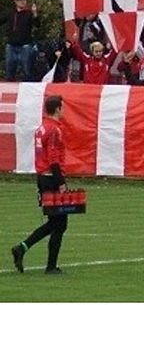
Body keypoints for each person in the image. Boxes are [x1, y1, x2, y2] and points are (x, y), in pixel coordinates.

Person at [11, 95, 69, 274]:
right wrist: (61, 182)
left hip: (42, 177)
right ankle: (50, 266)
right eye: (63, 107)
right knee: (60, 222)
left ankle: (22, 248)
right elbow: (53, 158)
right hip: (51, 178)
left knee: (56, 222)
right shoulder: (54, 130)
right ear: (57, 109)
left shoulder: (41, 128)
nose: (64, 110)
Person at [1, 0, 39, 81]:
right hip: (11, 46)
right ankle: (9, 91)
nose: (22, 1)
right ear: (15, 1)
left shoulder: (29, 13)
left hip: (25, 46)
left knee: (27, 71)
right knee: (9, 71)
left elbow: (37, 25)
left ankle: (29, 92)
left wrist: (35, 13)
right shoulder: (10, 12)